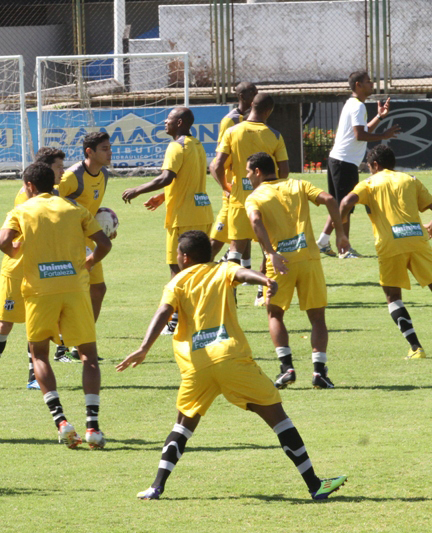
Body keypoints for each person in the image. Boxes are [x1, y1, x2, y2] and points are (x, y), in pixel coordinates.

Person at [116, 230, 346, 501]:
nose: (176, 257)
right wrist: (264, 279)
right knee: (278, 419)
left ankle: (156, 487)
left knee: (183, 425)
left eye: (178, 253)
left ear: (185, 257)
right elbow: (242, 275)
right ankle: (314, 485)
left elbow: (163, 312)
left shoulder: (176, 282)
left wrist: (144, 348)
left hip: (196, 366)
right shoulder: (223, 269)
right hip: (231, 359)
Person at [0, 162, 112, 448]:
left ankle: (61, 422)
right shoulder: (74, 209)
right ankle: (93, 427)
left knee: (40, 356)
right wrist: (88, 262)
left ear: (30, 186)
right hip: (74, 288)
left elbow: (2, 240)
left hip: (40, 291)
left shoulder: (21, 210)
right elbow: (104, 245)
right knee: (89, 356)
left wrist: (14, 252)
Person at [245, 152, 346, 389]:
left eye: (248, 172)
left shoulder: (255, 196)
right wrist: (340, 233)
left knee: (275, 314)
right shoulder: (299, 184)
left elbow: (256, 221)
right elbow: (330, 199)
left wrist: (270, 253)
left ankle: (286, 368)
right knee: (317, 317)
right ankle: (319, 372)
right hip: (309, 259)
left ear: (258, 172)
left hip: (280, 263)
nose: (248, 177)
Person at [0, 147, 66, 391]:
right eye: (59, 168)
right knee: (4, 325)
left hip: (39, 270)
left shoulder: (53, 195)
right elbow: (9, 237)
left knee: (35, 324)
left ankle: (33, 377)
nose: (63, 172)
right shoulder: (25, 197)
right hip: (16, 270)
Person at [121, 107, 213, 334]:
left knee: (177, 268)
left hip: (184, 215)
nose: (165, 121)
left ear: (179, 122)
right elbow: (187, 177)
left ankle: (174, 321)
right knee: (200, 269)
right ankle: (202, 317)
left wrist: (137, 189)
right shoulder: (197, 145)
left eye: (169, 118)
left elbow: (166, 176)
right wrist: (164, 196)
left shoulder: (176, 146)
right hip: (202, 211)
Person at [339, 145, 432, 360]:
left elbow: (344, 202)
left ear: (375, 165)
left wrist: (342, 234)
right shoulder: (411, 179)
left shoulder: (369, 183)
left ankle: (416, 348)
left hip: (390, 246)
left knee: (393, 297)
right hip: (417, 240)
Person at [316, 70, 400, 258]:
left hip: (340, 160)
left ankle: (322, 241)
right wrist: (383, 136)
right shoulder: (358, 107)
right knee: (346, 206)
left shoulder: (354, 104)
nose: (372, 84)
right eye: (368, 82)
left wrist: (379, 117)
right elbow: (360, 135)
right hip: (344, 161)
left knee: (340, 205)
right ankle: (344, 250)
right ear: (358, 85)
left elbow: (362, 131)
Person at [209, 94, 289, 273]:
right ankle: (262, 290)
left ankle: (231, 291)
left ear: (251, 104)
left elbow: (217, 164)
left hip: (238, 199)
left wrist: (225, 186)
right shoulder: (275, 135)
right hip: (266, 199)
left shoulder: (232, 131)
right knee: (267, 246)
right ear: (269, 111)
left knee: (235, 247)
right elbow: (284, 171)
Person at [55, 132, 114, 363]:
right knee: (69, 294)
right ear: (89, 151)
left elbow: (91, 208)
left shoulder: (104, 175)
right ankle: (61, 346)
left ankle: (79, 344)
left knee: (98, 290)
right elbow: (50, 201)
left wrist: (105, 227)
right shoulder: (71, 177)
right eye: (104, 148)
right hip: (69, 243)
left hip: (90, 242)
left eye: (109, 148)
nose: (109, 153)